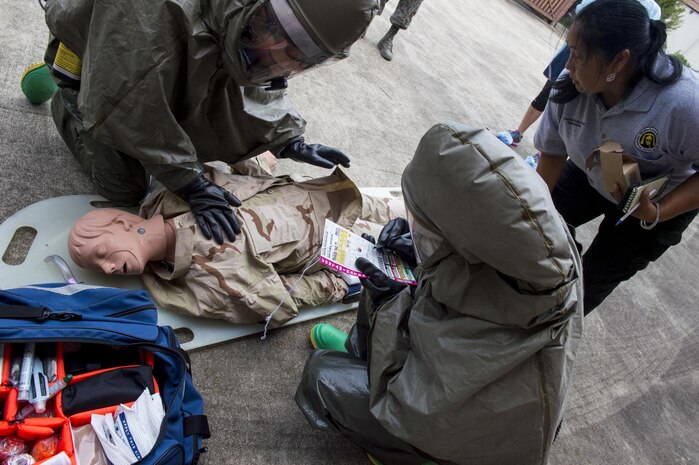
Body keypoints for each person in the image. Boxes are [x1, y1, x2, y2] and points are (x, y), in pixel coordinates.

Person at [295, 123, 584, 465]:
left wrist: (391, 305)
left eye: (427, 224)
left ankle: (404, 456)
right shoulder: (519, 256)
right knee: (386, 276)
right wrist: (419, 258)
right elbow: (451, 298)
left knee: (322, 377)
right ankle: (365, 356)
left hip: (457, 437)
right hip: (456, 400)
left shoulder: (517, 318)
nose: (415, 226)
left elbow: (420, 402)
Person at [42, 0, 378, 246]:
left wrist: (288, 138)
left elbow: (247, 78)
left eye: (301, 58)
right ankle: (70, 103)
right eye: (288, 47)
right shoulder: (151, 16)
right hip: (102, 65)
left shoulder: (242, 18)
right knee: (125, 187)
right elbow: (129, 106)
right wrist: (190, 183)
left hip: (159, 60)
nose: (286, 63)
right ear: (266, 19)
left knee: (212, 115)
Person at [67, 155, 404, 327]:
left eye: (101, 253)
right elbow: (279, 302)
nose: (108, 269)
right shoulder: (201, 283)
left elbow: (222, 174)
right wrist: (336, 285)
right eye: (99, 267)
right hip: (335, 240)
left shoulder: (167, 193)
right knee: (419, 241)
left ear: (121, 222)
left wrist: (255, 158)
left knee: (415, 209)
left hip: (317, 190)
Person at [534, 0, 699, 314]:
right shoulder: (571, 88)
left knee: (588, 284)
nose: (568, 65)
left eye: (578, 55)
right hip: (592, 172)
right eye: (569, 50)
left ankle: (545, 340)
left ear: (619, 61)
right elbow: (551, 159)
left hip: (656, 203)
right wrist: (530, 218)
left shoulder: (685, 104)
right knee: (531, 236)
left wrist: (658, 212)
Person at [498, 0, 661, 147]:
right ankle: (519, 133)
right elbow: (583, 11)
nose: (569, 66)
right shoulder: (572, 60)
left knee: (584, 114)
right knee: (551, 93)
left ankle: (542, 154)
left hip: (601, 59)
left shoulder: (652, 9)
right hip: (583, 47)